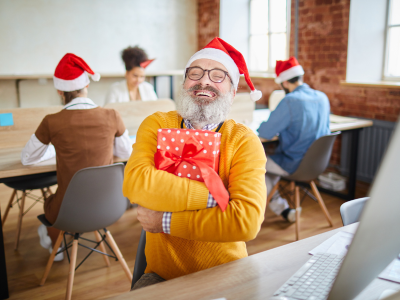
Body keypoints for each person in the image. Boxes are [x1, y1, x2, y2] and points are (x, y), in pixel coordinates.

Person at [123, 37, 266, 289]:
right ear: (184, 84)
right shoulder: (157, 124)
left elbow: (246, 221)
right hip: (162, 276)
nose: (205, 80)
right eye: (195, 73)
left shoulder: (244, 141)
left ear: (233, 93)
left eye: (218, 75)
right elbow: (136, 183)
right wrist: (218, 198)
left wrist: (163, 221)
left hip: (226, 273)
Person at [21, 53, 132, 261]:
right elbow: (126, 153)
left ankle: (54, 240)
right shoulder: (112, 116)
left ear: (59, 91)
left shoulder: (51, 121)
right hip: (111, 207)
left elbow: (27, 158)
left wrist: (54, 148)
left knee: (49, 200)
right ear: (87, 85)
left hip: (68, 213)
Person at [258, 57, 330, 223]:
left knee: (255, 164)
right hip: (317, 164)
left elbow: (266, 132)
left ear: (284, 83)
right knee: (270, 169)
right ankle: (283, 210)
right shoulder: (322, 97)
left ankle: (264, 210)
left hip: (293, 164)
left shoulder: (290, 101)